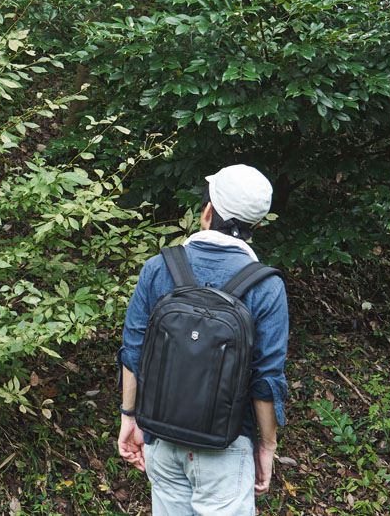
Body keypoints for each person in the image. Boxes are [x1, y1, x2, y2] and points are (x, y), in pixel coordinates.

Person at [117, 164, 289, 514]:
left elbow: (133, 353)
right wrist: (267, 446)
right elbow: (266, 380)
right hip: (227, 448)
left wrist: (129, 418)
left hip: (161, 440)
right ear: (257, 226)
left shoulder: (158, 268)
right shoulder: (267, 287)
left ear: (207, 211)